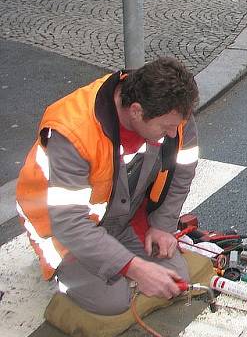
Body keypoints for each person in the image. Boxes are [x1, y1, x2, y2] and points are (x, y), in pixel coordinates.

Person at [16, 57, 200, 315]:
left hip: (119, 216)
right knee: (113, 302)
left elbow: (183, 170)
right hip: (61, 230)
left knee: (175, 278)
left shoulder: (173, 113)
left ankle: (117, 253)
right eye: (167, 127)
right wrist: (134, 267)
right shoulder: (74, 132)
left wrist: (162, 226)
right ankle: (63, 275)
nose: (174, 133)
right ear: (136, 111)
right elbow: (69, 222)